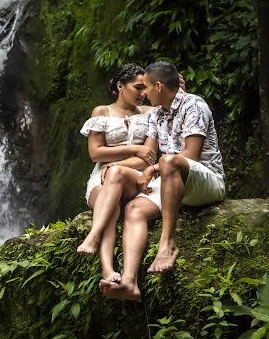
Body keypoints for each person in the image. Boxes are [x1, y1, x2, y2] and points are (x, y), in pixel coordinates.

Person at [100, 60, 225, 301]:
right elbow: (148, 154)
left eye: (145, 87)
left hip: (206, 178)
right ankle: (129, 282)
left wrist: (155, 167)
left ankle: (168, 244)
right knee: (134, 208)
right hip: (170, 180)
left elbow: (192, 154)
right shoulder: (156, 114)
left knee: (168, 161)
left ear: (158, 86)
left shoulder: (194, 105)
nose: (143, 93)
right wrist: (117, 166)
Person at [76, 64, 156, 283]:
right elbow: (95, 153)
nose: (143, 93)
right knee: (108, 202)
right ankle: (108, 269)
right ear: (120, 86)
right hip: (101, 178)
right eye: (138, 87)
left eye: (146, 88)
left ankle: (93, 237)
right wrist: (134, 148)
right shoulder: (101, 112)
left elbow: (148, 157)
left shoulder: (150, 113)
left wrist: (119, 165)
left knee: (114, 182)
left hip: (135, 178)